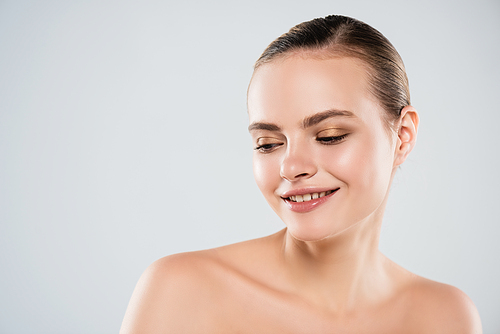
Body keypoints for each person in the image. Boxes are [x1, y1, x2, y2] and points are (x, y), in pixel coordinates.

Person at [120, 15, 482, 333]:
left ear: (402, 136)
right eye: (268, 143)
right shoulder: (182, 291)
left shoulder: (445, 317)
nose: (291, 167)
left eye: (330, 136)